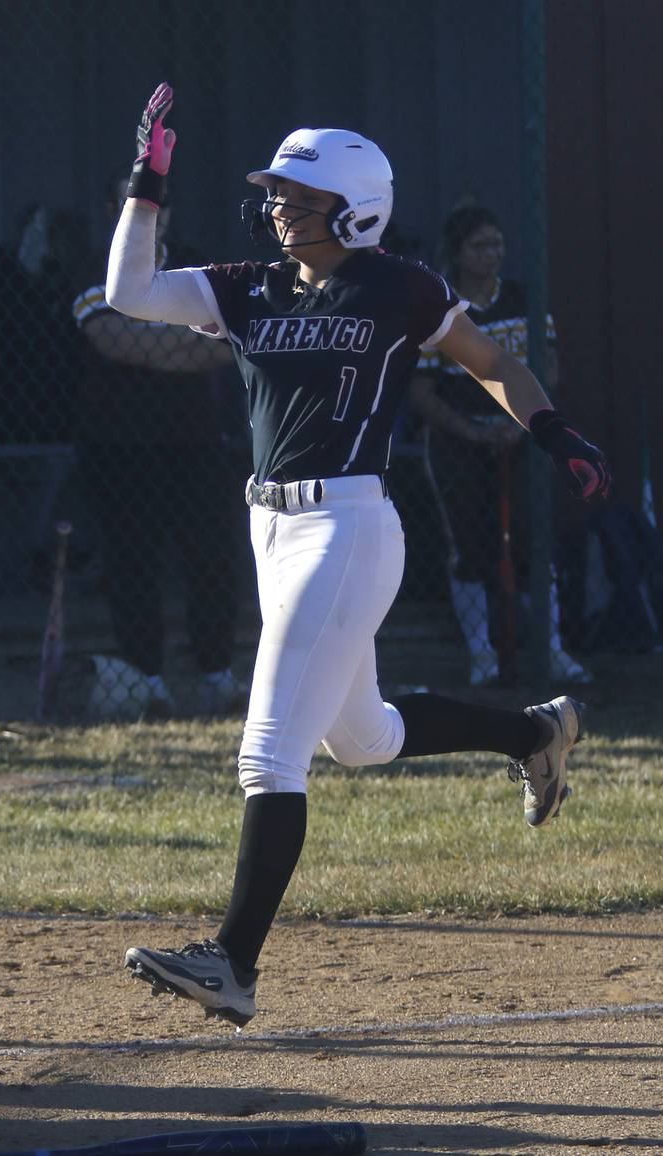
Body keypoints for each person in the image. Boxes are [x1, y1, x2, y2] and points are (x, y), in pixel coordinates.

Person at [107, 86, 611, 1030]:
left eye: (299, 195)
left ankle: (234, 965)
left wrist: (554, 431)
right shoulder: (249, 285)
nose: (278, 206)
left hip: (347, 525)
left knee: (269, 752)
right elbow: (130, 293)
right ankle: (536, 733)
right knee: (363, 738)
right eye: (276, 193)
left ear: (357, 208)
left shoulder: (399, 285)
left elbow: (491, 363)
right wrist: (148, 186)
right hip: (274, 529)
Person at [72, 175, 246, 717]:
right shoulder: (92, 267)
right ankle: (145, 680)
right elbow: (116, 341)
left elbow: (225, 348)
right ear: (113, 208)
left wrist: (157, 346)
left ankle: (218, 672)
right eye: (139, 200)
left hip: (195, 442)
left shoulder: (194, 265)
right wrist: (183, 341)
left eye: (160, 202)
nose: (155, 210)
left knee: (216, 556)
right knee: (133, 564)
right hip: (118, 447)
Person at [409, 203, 590, 686]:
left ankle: (550, 650)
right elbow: (422, 392)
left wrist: (520, 424)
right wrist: (474, 431)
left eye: (497, 245)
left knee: (536, 541)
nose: (491, 255)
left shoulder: (523, 300)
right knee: (469, 545)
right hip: (459, 441)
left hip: (520, 436)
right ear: (458, 252)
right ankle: (482, 654)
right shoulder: (439, 306)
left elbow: (546, 368)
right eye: (479, 246)